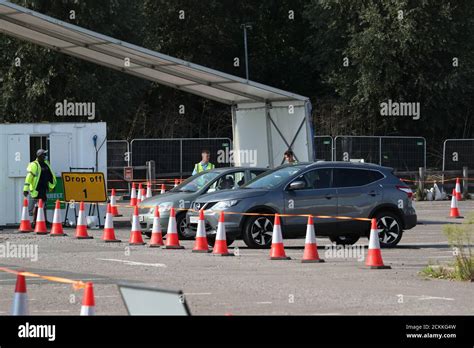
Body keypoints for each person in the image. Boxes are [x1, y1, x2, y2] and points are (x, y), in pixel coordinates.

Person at [23, 149, 57, 224]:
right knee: (37, 204)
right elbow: (29, 177)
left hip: (44, 187)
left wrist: (52, 186)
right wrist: (25, 189)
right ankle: (34, 221)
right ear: (39, 156)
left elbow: (49, 175)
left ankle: (44, 220)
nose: (45, 156)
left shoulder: (46, 164)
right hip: (36, 188)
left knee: (44, 204)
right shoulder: (34, 164)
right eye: (43, 154)